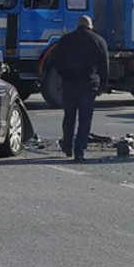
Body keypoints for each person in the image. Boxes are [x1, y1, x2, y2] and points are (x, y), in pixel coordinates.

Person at [52, 15, 109, 162]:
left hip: (69, 83)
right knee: (85, 119)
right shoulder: (98, 41)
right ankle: (80, 151)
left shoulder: (65, 40)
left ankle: (67, 146)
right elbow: (104, 65)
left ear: (77, 25)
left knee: (69, 117)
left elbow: (56, 61)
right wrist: (102, 85)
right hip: (88, 85)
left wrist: (64, 75)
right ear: (90, 26)